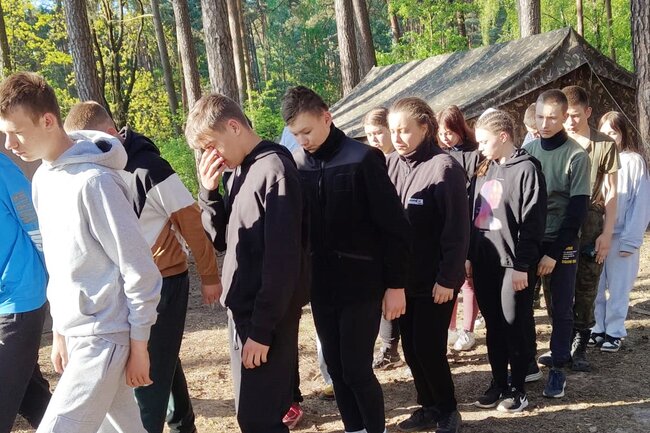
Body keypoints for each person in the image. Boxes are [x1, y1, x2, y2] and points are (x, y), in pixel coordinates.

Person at [0, 72, 161, 433]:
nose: (9, 144)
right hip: (78, 336)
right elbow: (60, 267)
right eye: (5, 133)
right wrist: (60, 331)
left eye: (17, 132)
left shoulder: (97, 183)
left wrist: (139, 345)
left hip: (106, 336)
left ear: (48, 120)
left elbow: (139, 270)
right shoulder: (43, 178)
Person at [63, 101, 222, 433]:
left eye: (88, 143)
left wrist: (209, 276)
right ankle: (183, 425)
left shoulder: (151, 169)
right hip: (129, 285)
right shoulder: (92, 172)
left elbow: (192, 223)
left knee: (148, 375)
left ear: (110, 134)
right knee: (163, 356)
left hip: (164, 282)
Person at [282, 85, 410, 433]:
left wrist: (395, 284)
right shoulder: (296, 163)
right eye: (295, 135)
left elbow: (395, 228)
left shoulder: (364, 158)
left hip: (362, 285)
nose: (303, 141)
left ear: (327, 117)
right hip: (321, 286)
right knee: (336, 370)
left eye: (307, 131)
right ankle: (355, 428)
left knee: (356, 369)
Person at [186, 93, 309, 433]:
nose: (212, 156)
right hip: (243, 311)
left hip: (267, 317)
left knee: (261, 419)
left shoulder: (275, 170)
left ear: (234, 126)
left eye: (212, 145)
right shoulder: (237, 170)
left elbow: (283, 262)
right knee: (251, 417)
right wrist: (208, 192)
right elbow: (222, 240)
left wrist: (262, 330)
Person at [387, 97, 467, 433]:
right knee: (410, 347)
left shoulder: (444, 168)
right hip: (402, 281)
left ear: (424, 127)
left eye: (404, 130)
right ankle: (428, 406)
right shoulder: (390, 164)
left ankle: (448, 409)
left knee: (429, 347)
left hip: (435, 281)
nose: (398, 137)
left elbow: (457, 230)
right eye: (393, 131)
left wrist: (448, 278)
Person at [469, 110, 547, 413]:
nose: (480, 148)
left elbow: (532, 223)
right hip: (484, 262)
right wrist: (469, 255)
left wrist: (522, 266)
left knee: (513, 326)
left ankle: (518, 389)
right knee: (494, 327)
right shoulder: (485, 168)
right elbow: (475, 215)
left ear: (503, 137)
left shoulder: (527, 169)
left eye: (484, 141)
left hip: (512, 265)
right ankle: (499, 382)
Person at [523, 89, 590, 398]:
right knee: (522, 304)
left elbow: (577, 212)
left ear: (565, 117)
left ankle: (558, 369)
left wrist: (553, 252)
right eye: (540, 117)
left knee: (561, 307)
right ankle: (526, 362)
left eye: (552, 117)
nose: (545, 123)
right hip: (530, 239)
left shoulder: (577, 155)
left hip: (561, 241)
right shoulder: (527, 150)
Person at [556, 85, 619, 372]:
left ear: (588, 112)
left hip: (591, 221)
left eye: (576, 115)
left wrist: (607, 234)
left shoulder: (604, 144)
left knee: (587, 283)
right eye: (566, 115)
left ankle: (580, 342)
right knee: (556, 285)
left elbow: (612, 192)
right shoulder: (554, 142)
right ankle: (561, 339)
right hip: (560, 220)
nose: (570, 121)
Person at [0, 153, 52, 433]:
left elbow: (35, 223)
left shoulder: (3, 170)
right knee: (33, 397)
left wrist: (53, 279)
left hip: (19, 297)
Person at [592, 111, 650, 351]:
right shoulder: (594, 157)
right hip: (596, 233)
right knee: (595, 285)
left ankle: (614, 331)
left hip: (621, 234)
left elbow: (641, 202)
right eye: (604, 132)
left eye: (613, 132)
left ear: (623, 134)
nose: (609, 137)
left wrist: (631, 240)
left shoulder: (633, 161)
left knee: (618, 287)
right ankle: (597, 327)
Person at [436, 105, 482, 352]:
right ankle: (450, 328)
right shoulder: (438, 154)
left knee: (468, 281)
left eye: (449, 132)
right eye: (441, 132)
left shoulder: (475, 154)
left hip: (470, 223)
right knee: (449, 280)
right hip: (445, 224)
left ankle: (468, 330)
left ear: (460, 129)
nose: (445, 137)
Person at [362, 107, 402, 370]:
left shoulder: (400, 160)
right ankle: (388, 346)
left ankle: (392, 347)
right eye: (369, 135)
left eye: (378, 132)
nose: (374, 139)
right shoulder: (368, 160)